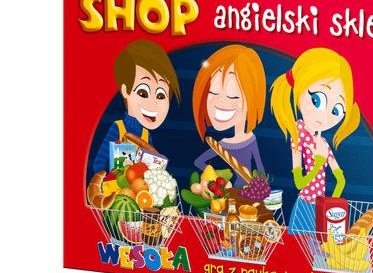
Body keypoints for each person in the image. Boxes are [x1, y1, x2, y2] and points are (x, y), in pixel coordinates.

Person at [270, 48, 360, 233]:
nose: (324, 116)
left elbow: (341, 180)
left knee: (319, 248)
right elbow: (299, 183)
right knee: (298, 245)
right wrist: (319, 160)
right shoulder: (298, 132)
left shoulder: (324, 144)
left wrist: (330, 204)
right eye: (317, 100)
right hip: (304, 206)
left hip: (321, 209)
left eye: (336, 110)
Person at [93, 40, 180, 173]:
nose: (153, 103)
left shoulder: (146, 135)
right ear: (125, 91)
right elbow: (98, 164)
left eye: (161, 95)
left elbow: (151, 170)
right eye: (143, 93)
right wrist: (113, 177)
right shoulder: (117, 128)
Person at [192, 45, 266, 187]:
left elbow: (260, 168)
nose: (221, 101)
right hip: (228, 194)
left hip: (250, 193)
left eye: (233, 95)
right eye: (213, 91)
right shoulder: (222, 144)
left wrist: (261, 187)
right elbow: (199, 162)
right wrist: (219, 179)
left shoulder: (251, 138)